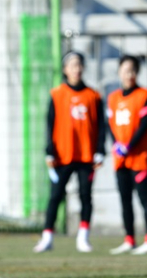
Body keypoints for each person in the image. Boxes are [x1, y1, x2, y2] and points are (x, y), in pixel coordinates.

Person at [34, 51, 105, 253]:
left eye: (79, 64)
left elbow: (101, 126)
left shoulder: (94, 95)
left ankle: (83, 237)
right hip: (62, 155)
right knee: (55, 196)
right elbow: (50, 123)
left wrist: (100, 150)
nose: (76, 68)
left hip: (86, 156)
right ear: (65, 69)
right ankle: (47, 236)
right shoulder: (57, 94)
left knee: (85, 196)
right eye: (72, 65)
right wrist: (50, 151)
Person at [107, 55, 147, 255]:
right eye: (126, 70)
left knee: (144, 198)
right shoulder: (113, 98)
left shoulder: (145, 95)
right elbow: (110, 125)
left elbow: (144, 126)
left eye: (133, 70)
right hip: (120, 160)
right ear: (119, 72)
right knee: (125, 200)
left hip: (140, 158)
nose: (129, 74)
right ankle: (129, 238)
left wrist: (129, 146)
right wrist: (117, 145)